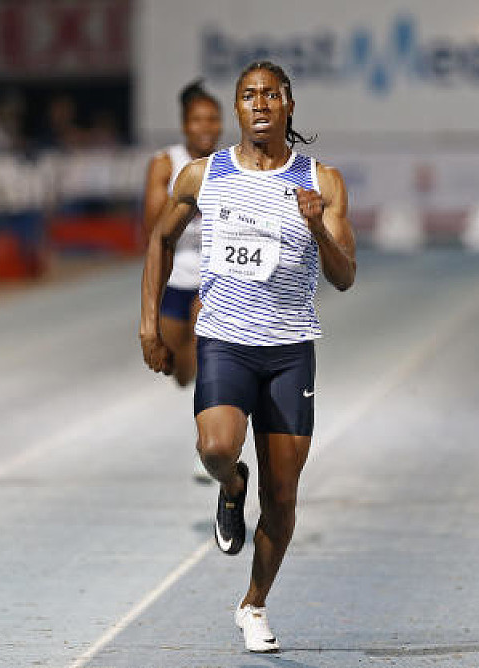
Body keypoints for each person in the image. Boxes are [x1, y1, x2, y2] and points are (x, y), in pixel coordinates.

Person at [140, 61, 356, 653]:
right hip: (225, 341)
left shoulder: (323, 181)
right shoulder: (203, 174)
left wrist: (317, 228)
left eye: (270, 95)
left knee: (282, 498)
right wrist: (150, 324)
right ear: (237, 108)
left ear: (288, 105)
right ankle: (231, 483)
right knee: (215, 448)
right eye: (248, 95)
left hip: (289, 351)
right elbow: (160, 239)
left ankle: (254, 605)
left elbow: (345, 276)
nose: (259, 104)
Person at [142, 80, 222, 483]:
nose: (206, 127)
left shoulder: (230, 164)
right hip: (175, 274)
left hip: (217, 275)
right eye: (198, 120)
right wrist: (188, 198)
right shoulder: (165, 163)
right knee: (180, 370)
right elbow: (153, 228)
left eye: (213, 119)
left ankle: (206, 448)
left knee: (211, 361)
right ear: (184, 125)